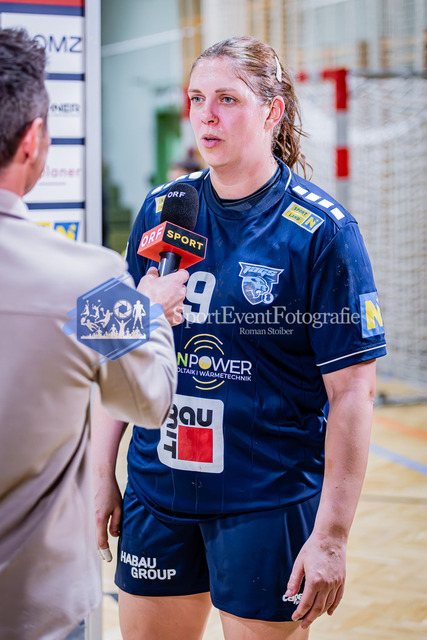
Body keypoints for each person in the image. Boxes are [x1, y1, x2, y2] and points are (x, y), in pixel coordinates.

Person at [94, 36, 387, 640]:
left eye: (227, 99)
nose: (207, 115)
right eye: (197, 97)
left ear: (272, 111)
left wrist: (332, 535)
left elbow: (353, 394)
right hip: (158, 489)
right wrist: (100, 473)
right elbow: (116, 350)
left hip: (266, 499)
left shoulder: (322, 231)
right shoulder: (162, 209)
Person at [0, 28, 188, 640]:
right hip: (35, 611)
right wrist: (149, 312)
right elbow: (148, 400)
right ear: (33, 140)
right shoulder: (92, 284)